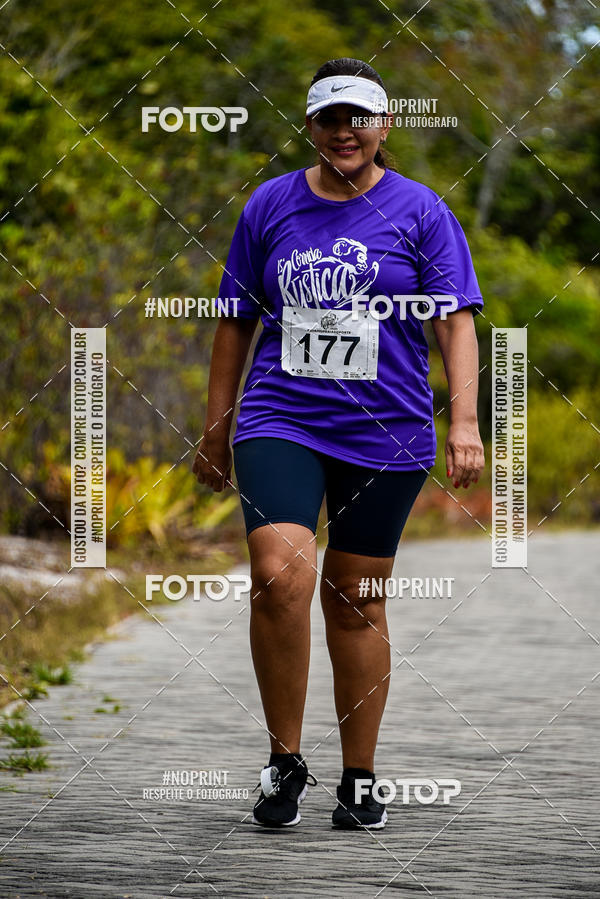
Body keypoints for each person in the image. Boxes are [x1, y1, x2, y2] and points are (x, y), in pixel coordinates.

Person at [193, 57, 485, 830]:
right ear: (311, 127)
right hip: (281, 415)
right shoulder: (271, 204)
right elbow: (236, 319)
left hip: (384, 427)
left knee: (355, 603)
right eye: (329, 118)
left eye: (359, 117)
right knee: (280, 573)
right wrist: (217, 429)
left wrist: (462, 420)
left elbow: (456, 319)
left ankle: (361, 775)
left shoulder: (421, 211)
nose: (344, 131)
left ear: (385, 126)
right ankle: (283, 762)